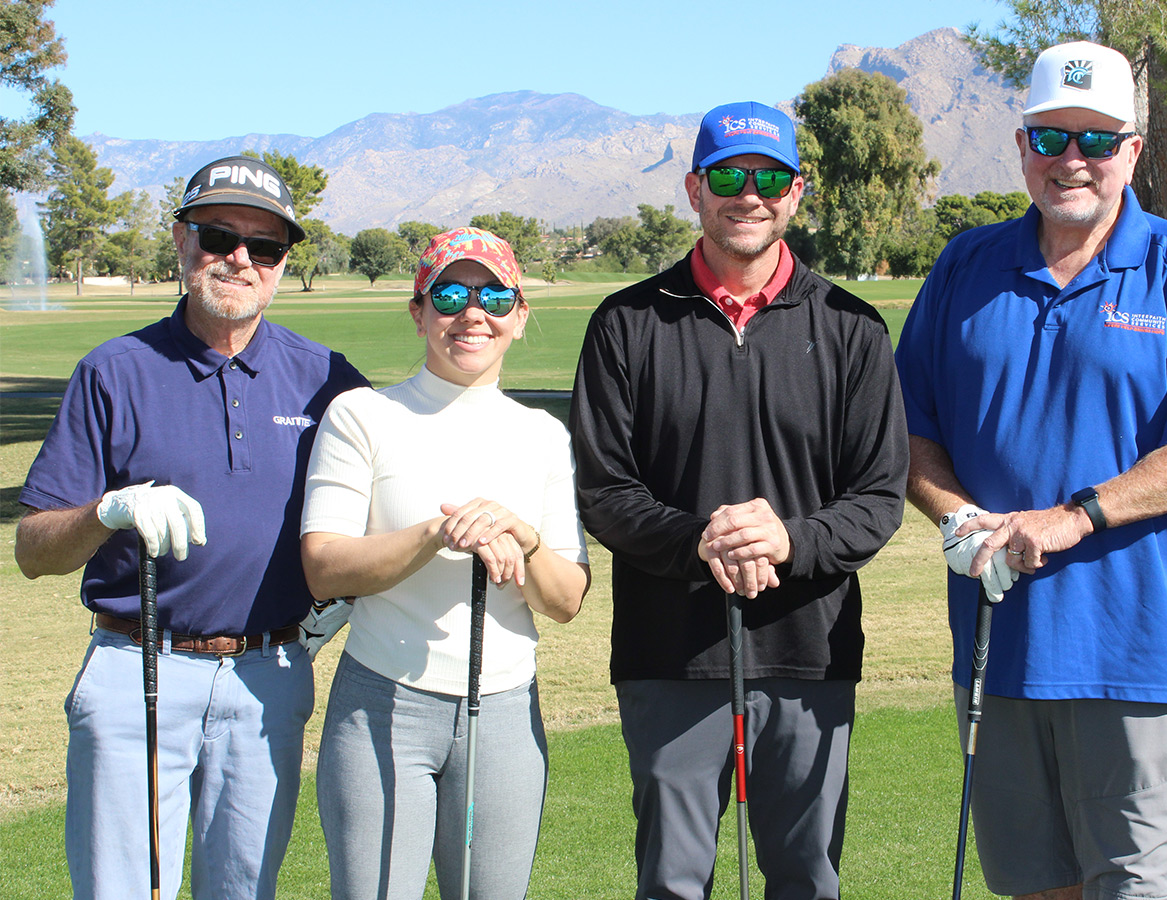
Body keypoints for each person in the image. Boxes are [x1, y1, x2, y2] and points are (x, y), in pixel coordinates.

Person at [895, 42, 1167, 900]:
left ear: (1133, 152)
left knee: (1130, 887)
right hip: (1000, 645)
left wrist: (1073, 516)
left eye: (1098, 141)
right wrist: (957, 515)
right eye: (1052, 137)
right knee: (1030, 887)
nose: (1073, 159)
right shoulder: (966, 265)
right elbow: (905, 428)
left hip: (1131, 646)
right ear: (1022, 144)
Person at [570, 100, 908, 900]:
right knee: (675, 883)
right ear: (694, 188)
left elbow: (879, 497)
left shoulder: (853, 328)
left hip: (809, 654)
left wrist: (787, 542)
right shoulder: (626, 323)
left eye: (769, 178)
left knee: (804, 880)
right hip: (669, 654)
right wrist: (701, 541)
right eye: (727, 175)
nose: (747, 194)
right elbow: (605, 490)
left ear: (796, 192)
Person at [14, 154, 368, 900]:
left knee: (243, 891)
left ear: (279, 264)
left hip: (269, 675)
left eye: (264, 247)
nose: (240, 260)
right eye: (218, 236)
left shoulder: (326, 377)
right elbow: (33, 548)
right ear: (181, 242)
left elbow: (387, 505)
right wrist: (105, 512)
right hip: (135, 668)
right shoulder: (114, 371)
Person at [301, 225, 591, 900]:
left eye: (495, 295)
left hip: (505, 715)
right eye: (451, 293)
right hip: (382, 706)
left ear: (519, 316)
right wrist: (436, 533)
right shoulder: (363, 416)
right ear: (419, 311)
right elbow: (324, 566)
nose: (472, 312)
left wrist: (524, 538)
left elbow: (566, 600)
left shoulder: (543, 437)